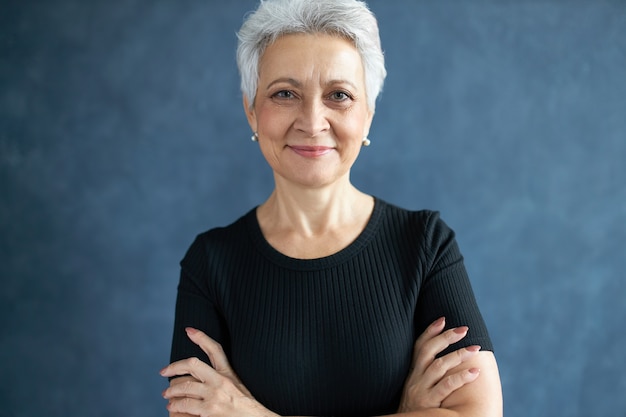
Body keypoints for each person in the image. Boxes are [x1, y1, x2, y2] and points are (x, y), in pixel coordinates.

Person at [159, 0, 503, 416]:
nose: (312, 120)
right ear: (251, 110)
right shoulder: (210, 263)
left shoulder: (425, 245)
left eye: (339, 95)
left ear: (368, 115)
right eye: (285, 93)